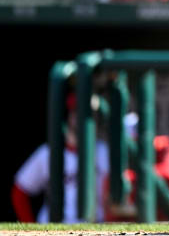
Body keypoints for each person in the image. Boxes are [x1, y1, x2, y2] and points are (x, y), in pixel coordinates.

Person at [11, 93, 109, 223]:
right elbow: (20, 192)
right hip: (56, 225)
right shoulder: (47, 152)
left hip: (96, 224)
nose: (85, 119)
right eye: (78, 113)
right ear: (69, 115)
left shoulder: (104, 150)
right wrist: (31, 229)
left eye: (91, 114)